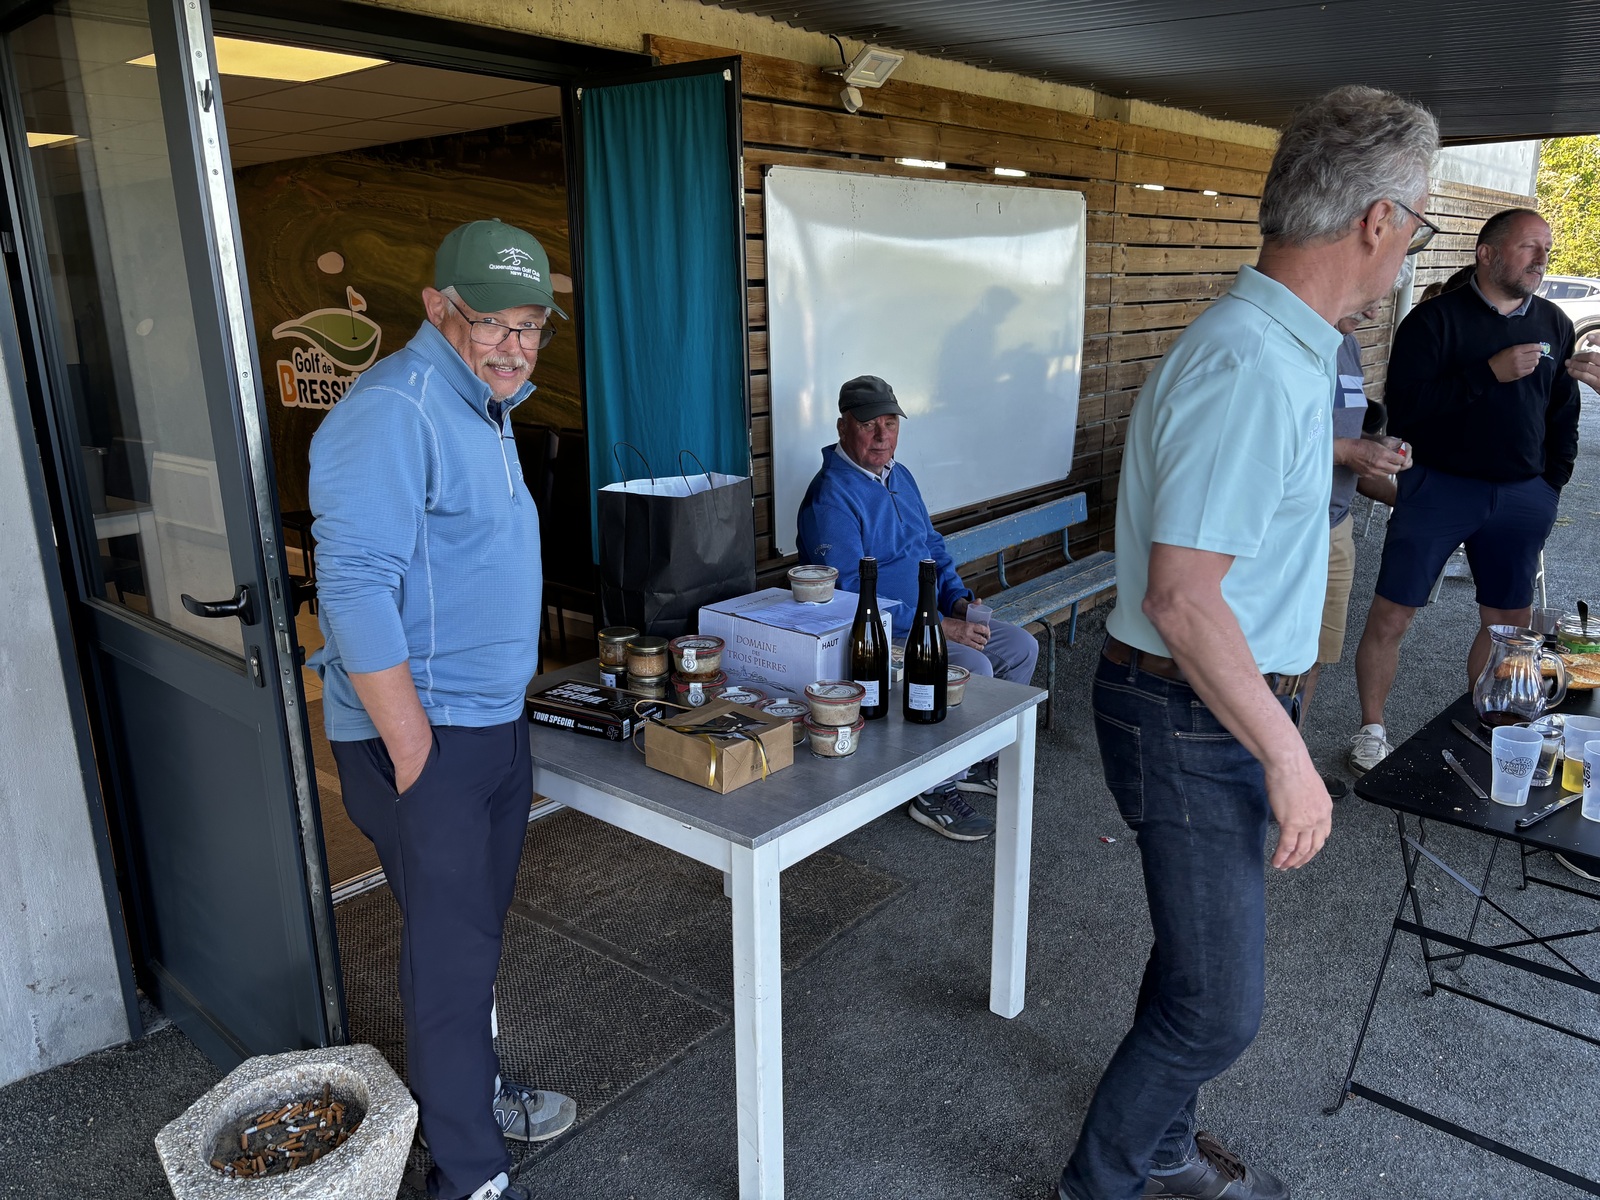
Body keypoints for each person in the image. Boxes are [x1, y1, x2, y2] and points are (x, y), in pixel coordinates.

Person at [1059, 85, 1439, 1200]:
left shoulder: (1285, 348)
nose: (1408, 247)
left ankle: (1161, 1150)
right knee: (1218, 1008)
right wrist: (1287, 757)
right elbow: (1183, 600)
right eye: (1416, 224)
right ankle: (1101, 1185)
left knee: (1195, 972)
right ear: (1376, 219)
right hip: (1189, 711)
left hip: (1206, 701)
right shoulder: (1252, 364)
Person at [310, 219, 574, 1200]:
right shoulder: (395, 409)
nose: (513, 344)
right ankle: (468, 1173)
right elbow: (353, 590)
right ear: (435, 308)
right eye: (490, 322)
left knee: (464, 939)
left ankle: (469, 1093)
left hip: (486, 726)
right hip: (428, 738)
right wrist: (415, 750)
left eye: (529, 325)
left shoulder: (484, 406)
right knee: (453, 958)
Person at [1348, 208, 1586, 774]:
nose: (1542, 258)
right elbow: (1407, 410)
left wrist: (1551, 483)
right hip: (1440, 488)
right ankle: (1371, 729)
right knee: (1392, 615)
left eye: (1546, 247)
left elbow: (1562, 411)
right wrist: (1487, 374)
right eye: (1529, 246)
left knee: (1508, 630)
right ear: (1487, 253)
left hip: (1522, 496)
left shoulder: (1554, 322)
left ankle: (1487, 726)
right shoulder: (1434, 321)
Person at [795, 375, 1040, 841]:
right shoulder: (830, 496)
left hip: (932, 619)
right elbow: (851, 593)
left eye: (891, 423)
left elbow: (931, 548)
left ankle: (972, 761)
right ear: (843, 427)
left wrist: (957, 601)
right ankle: (933, 789)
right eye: (869, 424)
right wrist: (940, 627)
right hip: (879, 636)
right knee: (973, 666)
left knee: (1020, 647)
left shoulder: (899, 475)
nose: (882, 435)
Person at [1299, 305, 1412, 796]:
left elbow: (1337, 432)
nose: (1373, 308)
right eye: (1366, 291)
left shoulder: (1347, 344)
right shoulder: (1283, 341)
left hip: (1335, 525)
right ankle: (1249, 772)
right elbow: (1267, 440)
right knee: (1262, 655)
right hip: (1283, 532)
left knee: (1310, 656)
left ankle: (1285, 763)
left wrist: (1373, 445)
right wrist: (1347, 452)